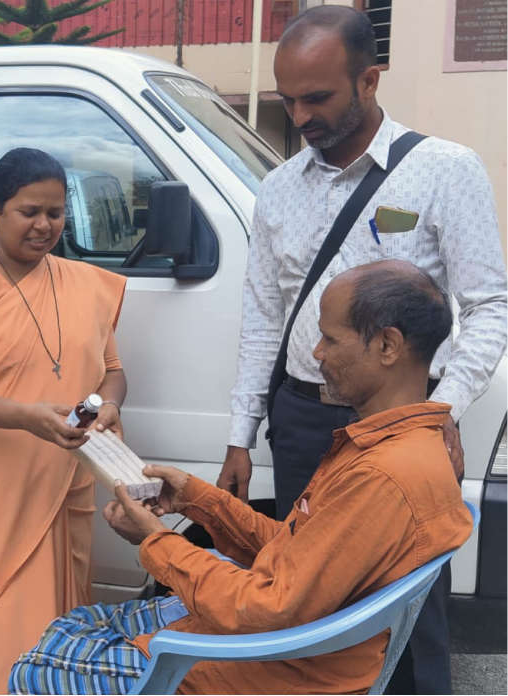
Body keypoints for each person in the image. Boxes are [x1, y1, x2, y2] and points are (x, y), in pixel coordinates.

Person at [10, 260, 474, 696]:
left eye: (330, 340)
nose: (316, 353)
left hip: (264, 667)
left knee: (33, 664)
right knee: (76, 623)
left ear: (387, 346)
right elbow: (295, 552)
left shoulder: (382, 474)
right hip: (287, 641)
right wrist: (198, 501)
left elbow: (271, 608)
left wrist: (155, 541)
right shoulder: (411, 445)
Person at [216, 6, 508, 694]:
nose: (299, 116)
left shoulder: (443, 170)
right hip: (302, 424)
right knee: (303, 602)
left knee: (407, 608)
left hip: (400, 430)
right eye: (287, 101)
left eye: (316, 98)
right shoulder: (277, 190)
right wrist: (240, 436)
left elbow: (489, 305)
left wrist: (439, 412)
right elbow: (262, 319)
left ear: (369, 80)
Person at [0, 147, 128, 696]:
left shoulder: (86, 283)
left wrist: (109, 406)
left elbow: (112, 372)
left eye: (55, 213)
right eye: (29, 212)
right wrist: (27, 418)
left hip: (63, 476)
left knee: (59, 613)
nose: (44, 226)